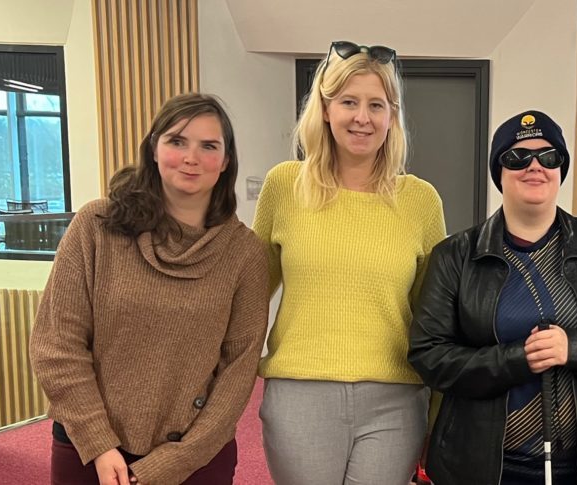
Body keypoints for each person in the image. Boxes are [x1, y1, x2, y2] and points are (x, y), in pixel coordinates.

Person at [30, 93, 269, 485]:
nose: (191, 158)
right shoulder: (96, 226)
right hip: (91, 448)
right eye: (177, 141)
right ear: (154, 149)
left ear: (226, 161)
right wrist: (99, 443)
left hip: (195, 455)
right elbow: (57, 345)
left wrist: (175, 462)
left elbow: (238, 370)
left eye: (209, 146)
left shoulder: (245, 252)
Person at [409, 110, 577, 485]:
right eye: (517, 157)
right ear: (499, 172)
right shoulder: (455, 256)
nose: (535, 166)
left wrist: (574, 348)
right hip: (476, 467)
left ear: (560, 169)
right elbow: (429, 356)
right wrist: (518, 358)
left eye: (549, 156)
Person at [251, 41, 446, 484]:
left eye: (377, 105)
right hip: (300, 394)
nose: (363, 117)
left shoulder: (420, 200)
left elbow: (434, 316)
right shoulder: (284, 186)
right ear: (324, 109)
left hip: (395, 399)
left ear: (392, 116)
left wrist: (440, 410)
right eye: (348, 102)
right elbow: (250, 294)